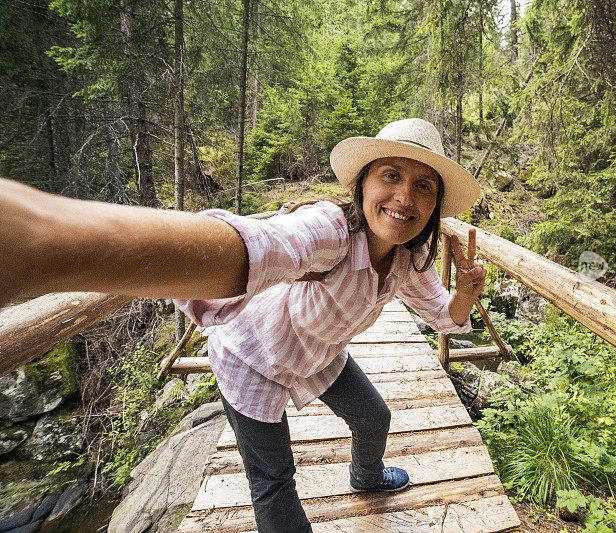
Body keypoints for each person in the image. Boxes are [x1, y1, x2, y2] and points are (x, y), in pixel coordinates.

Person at [0, 118, 486, 532]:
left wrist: (464, 291)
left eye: (425, 186)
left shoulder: (409, 258)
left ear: (434, 207)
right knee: (274, 482)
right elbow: (267, 243)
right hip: (251, 357)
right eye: (391, 175)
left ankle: (366, 476)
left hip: (316, 353)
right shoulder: (331, 230)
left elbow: (446, 317)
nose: (405, 196)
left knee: (373, 417)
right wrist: (45, 239)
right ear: (360, 185)